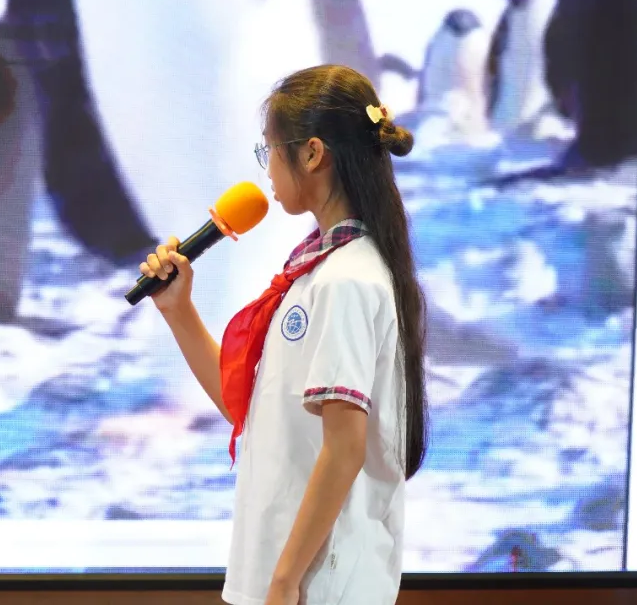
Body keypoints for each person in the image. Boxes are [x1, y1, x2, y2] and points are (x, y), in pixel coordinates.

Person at [139, 64, 428, 604]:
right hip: (290, 577)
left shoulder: (346, 280)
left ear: (312, 154)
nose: (267, 169)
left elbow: (345, 447)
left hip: (319, 586)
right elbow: (248, 406)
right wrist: (179, 310)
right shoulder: (319, 272)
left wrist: (285, 578)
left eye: (269, 150)